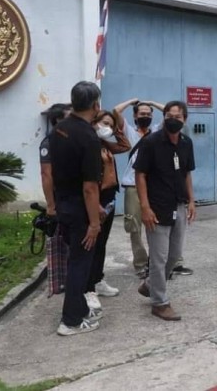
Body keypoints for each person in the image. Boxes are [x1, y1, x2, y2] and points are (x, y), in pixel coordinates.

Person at [115, 98, 193, 278]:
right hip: (133, 185)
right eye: (142, 114)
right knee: (135, 227)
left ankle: (167, 263)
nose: (146, 116)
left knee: (161, 226)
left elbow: (172, 115)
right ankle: (141, 263)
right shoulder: (130, 132)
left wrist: (151, 103)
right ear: (135, 116)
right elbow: (116, 111)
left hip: (155, 186)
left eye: (149, 114)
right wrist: (132, 102)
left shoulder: (158, 131)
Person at [49, 81, 104, 336]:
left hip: (64, 204)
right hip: (80, 210)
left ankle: (79, 307)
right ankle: (71, 321)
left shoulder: (60, 129)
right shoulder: (88, 137)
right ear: (96, 105)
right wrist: (94, 222)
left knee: (75, 260)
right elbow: (89, 187)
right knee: (80, 265)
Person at [134, 101, 196, 321]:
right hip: (157, 207)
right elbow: (140, 174)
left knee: (174, 255)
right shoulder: (150, 142)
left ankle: (150, 284)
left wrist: (191, 200)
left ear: (184, 119)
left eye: (177, 117)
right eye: (169, 116)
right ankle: (159, 303)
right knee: (158, 258)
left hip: (178, 205)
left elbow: (187, 173)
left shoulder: (186, 143)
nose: (172, 120)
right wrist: (145, 207)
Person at [84, 109, 131, 315]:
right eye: (104, 123)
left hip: (109, 198)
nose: (107, 128)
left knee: (102, 243)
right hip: (97, 199)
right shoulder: (89, 145)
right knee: (92, 244)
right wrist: (96, 204)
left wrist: (116, 128)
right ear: (94, 122)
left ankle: (98, 279)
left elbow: (125, 146)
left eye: (110, 125)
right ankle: (88, 287)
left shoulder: (104, 144)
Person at [40, 102, 71, 296]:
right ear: (58, 120)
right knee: (62, 241)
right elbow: (46, 174)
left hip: (75, 198)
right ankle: (64, 281)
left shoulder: (72, 140)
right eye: (69, 117)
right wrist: (51, 205)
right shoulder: (49, 143)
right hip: (61, 199)